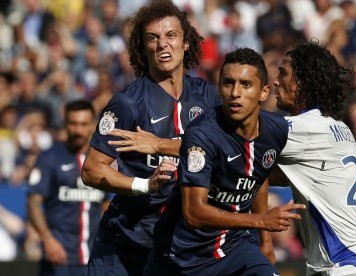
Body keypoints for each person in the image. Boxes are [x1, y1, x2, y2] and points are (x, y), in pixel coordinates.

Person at [80, 1, 221, 275]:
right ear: (143, 47)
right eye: (153, 38)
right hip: (126, 246)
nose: (162, 44)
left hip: (181, 243)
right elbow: (91, 170)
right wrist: (146, 185)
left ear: (186, 42)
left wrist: (161, 146)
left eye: (171, 35)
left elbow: (225, 152)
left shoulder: (207, 96)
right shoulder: (127, 103)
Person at [143, 48, 306, 275]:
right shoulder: (202, 135)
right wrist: (260, 221)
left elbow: (258, 177)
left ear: (264, 92)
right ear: (219, 88)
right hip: (183, 258)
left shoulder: (276, 130)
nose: (235, 93)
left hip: (237, 247)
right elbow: (194, 212)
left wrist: (265, 242)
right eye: (228, 83)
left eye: (246, 84)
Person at [270, 41, 356, 276]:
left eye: (283, 73)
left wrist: (183, 149)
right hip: (352, 264)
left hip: (349, 265)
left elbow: (237, 146)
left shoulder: (303, 128)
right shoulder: (336, 127)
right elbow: (263, 173)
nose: (275, 80)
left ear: (302, 82)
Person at [27, 100, 110, 276]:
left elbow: (105, 204)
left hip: (93, 257)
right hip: (59, 256)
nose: (78, 130)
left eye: (83, 124)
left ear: (93, 125)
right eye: (73, 124)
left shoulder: (102, 159)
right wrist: (47, 239)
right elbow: (33, 202)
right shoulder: (50, 157)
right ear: (65, 123)